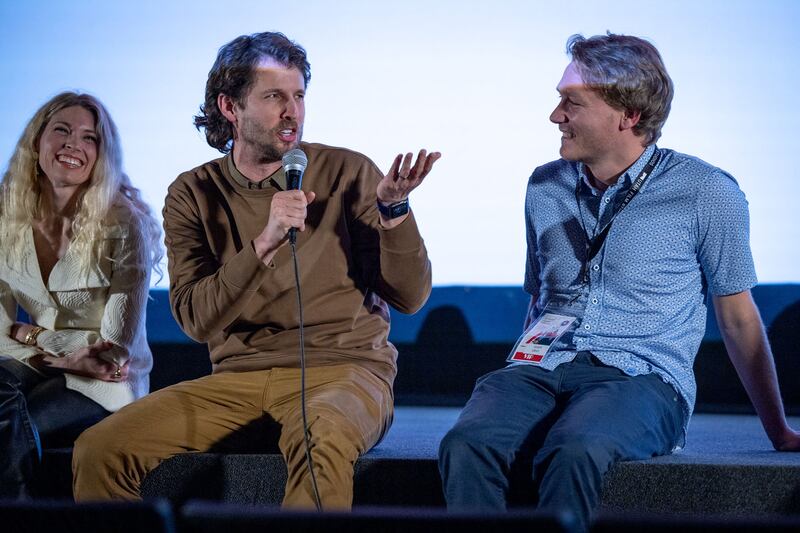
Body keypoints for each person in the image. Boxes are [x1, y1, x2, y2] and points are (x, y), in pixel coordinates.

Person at [438, 33, 800, 531]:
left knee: (575, 449)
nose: (555, 116)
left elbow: (738, 319)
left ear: (627, 115)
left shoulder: (706, 192)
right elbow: (540, 298)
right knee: (467, 443)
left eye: (572, 102)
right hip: (544, 365)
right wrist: (519, 374)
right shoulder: (545, 185)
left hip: (641, 376)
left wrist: (778, 431)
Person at [73, 31, 439, 509]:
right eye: (274, 97)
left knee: (322, 438)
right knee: (99, 449)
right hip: (236, 380)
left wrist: (394, 213)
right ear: (230, 107)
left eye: (299, 96)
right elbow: (195, 319)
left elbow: (410, 297)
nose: (293, 111)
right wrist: (264, 241)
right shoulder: (193, 192)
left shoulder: (348, 172)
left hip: (343, 371)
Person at [0, 92, 162, 498]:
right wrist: (40, 345)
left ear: (101, 156)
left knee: (13, 425)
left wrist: (28, 334)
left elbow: (113, 351)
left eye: (90, 138)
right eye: (62, 130)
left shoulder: (126, 223)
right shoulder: (6, 214)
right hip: (37, 360)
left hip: (106, 380)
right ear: (36, 142)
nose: (75, 144)